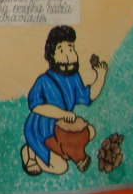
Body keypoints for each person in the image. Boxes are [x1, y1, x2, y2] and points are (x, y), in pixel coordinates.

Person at [21, 25, 108, 176]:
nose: (68, 54)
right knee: (61, 168)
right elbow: (36, 106)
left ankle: (70, 152)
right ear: (52, 55)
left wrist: (100, 76)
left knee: (91, 132)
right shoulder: (44, 81)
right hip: (42, 128)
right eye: (61, 50)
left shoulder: (74, 77)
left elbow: (88, 96)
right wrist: (61, 114)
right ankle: (31, 152)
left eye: (70, 48)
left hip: (63, 125)